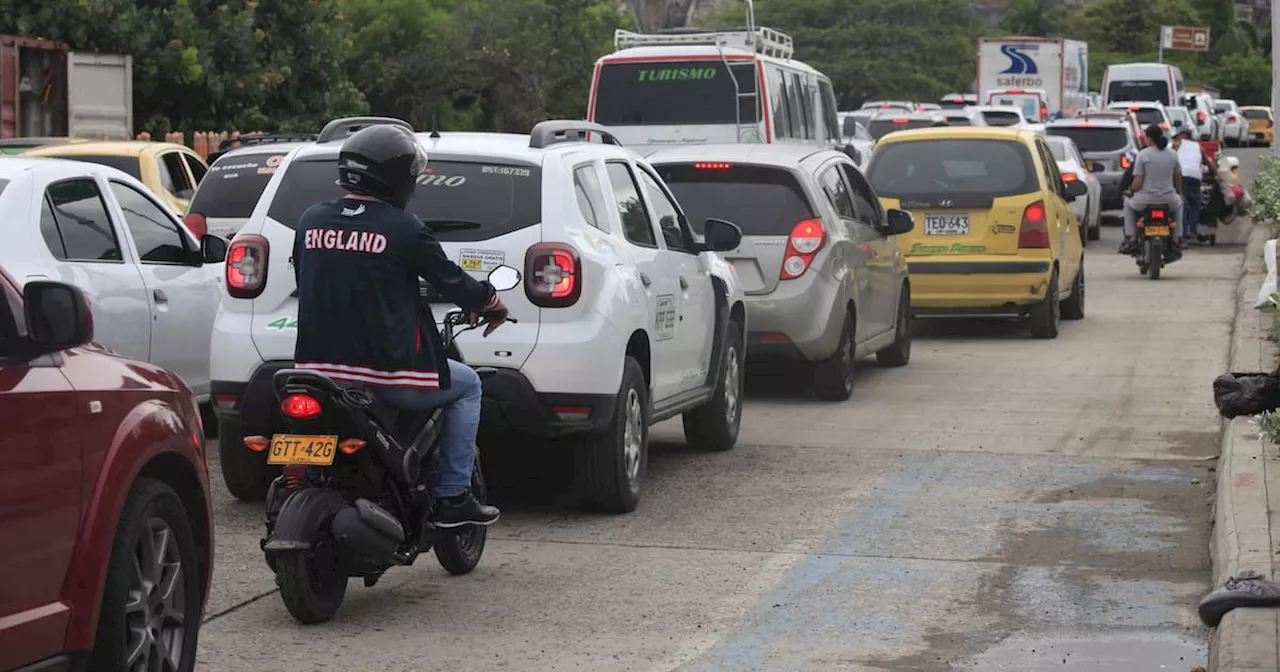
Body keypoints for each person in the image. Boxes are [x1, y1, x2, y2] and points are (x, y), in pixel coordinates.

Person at [291, 123, 507, 528]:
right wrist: (491, 303)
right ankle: (452, 497)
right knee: (468, 386)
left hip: (316, 374)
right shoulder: (404, 229)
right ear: (395, 178)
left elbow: (307, 279)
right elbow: (453, 281)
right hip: (389, 377)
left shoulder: (310, 220)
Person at [1121, 124, 1184, 255]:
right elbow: (1177, 178)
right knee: (1179, 204)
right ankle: (1176, 238)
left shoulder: (1143, 155)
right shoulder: (1172, 154)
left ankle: (1131, 238)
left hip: (1145, 200)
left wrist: (1130, 191)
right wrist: (1178, 192)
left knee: (1127, 203)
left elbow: (1138, 182)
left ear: (1149, 138)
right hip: (1168, 200)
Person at [1173, 125, 1214, 245]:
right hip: (1195, 176)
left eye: (1178, 136)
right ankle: (1193, 231)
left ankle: (1184, 234)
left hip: (1182, 175)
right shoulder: (1198, 147)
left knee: (1183, 203)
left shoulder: (1177, 145)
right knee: (1194, 204)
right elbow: (1208, 163)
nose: (1177, 138)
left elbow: (1170, 159)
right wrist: (1214, 174)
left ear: (1184, 135)